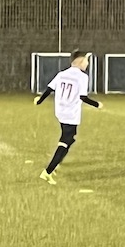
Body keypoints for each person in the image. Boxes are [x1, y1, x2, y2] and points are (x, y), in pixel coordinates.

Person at [34, 50, 99, 184]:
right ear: (80, 61)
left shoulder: (62, 74)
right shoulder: (82, 77)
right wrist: (97, 104)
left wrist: (39, 101)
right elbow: (83, 97)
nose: (87, 64)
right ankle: (48, 172)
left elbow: (49, 89)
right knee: (66, 140)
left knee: (71, 138)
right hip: (71, 113)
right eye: (86, 61)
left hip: (60, 111)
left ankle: (56, 164)